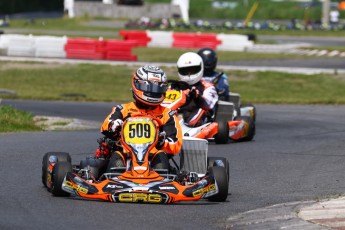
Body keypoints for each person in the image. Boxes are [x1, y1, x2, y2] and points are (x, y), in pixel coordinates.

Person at [96, 65, 182, 172]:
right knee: (116, 160)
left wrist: (162, 142)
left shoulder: (167, 114)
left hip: (154, 156)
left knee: (161, 161)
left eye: (157, 89)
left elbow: (175, 144)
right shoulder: (123, 109)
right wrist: (114, 126)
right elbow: (106, 125)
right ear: (138, 85)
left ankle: (161, 182)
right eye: (150, 88)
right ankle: (112, 181)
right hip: (125, 153)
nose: (154, 92)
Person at [176, 52, 218, 127]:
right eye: (185, 71)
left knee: (201, 110)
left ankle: (190, 126)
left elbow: (208, 106)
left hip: (196, 117)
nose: (189, 74)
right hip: (176, 115)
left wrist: (197, 96)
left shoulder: (208, 87)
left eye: (192, 70)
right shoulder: (175, 86)